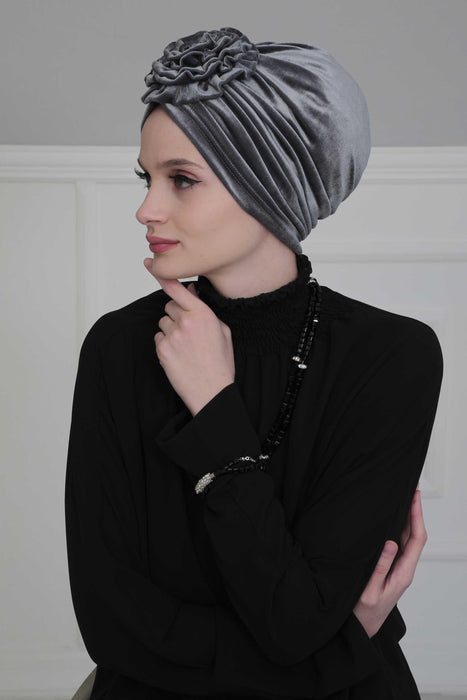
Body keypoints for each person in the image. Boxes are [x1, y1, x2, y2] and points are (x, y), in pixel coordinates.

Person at [65, 27, 443, 700]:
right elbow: (112, 626)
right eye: (147, 178)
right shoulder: (117, 347)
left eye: (182, 180)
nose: (146, 209)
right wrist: (335, 653)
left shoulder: (391, 356)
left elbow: (295, 623)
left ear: (271, 184)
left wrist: (216, 412)